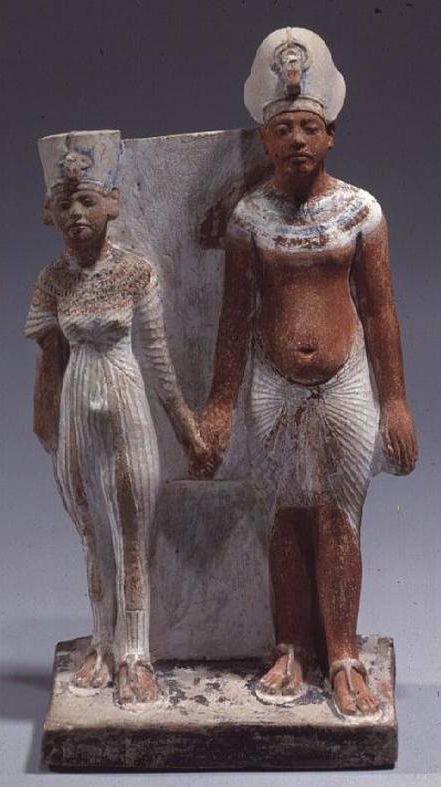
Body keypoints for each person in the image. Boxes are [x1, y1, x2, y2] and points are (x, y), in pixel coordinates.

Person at [192, 29, 418, 715]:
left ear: (330, 137)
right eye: (283, 128)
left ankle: (342, 654)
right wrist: (220, 403)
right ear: (265, 140)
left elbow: (379, 312)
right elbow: (235, 316)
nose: (296, 139)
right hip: (272, 384)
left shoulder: (360, 211)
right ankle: (290, 647)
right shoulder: (249, 217)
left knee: (339, 514)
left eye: (309, 128)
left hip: (345, 383)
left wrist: (396, 401)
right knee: (285, 517)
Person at [25, 130, 207, 705]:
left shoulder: (135, 273)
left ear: (112, 204)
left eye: (87, 201)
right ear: (50, 214)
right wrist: (47, 428)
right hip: (77, 409)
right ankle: (102, 644)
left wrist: (185, 427)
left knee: (131, 535)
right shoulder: (52, 280)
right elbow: (49, 358)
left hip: (126, 405)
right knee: (91, 533)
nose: (76, 215)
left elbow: (158, 359)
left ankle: (136, 653)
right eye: (64, 204)